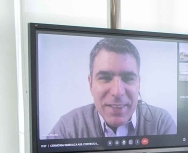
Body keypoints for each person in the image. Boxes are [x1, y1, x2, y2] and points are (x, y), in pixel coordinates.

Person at [47, 38, 177, 139]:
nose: (117, 92)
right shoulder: (69, 127)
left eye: (128, 78)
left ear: (139, 83)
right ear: (90, 83)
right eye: (105, 78)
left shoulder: (161, 123)